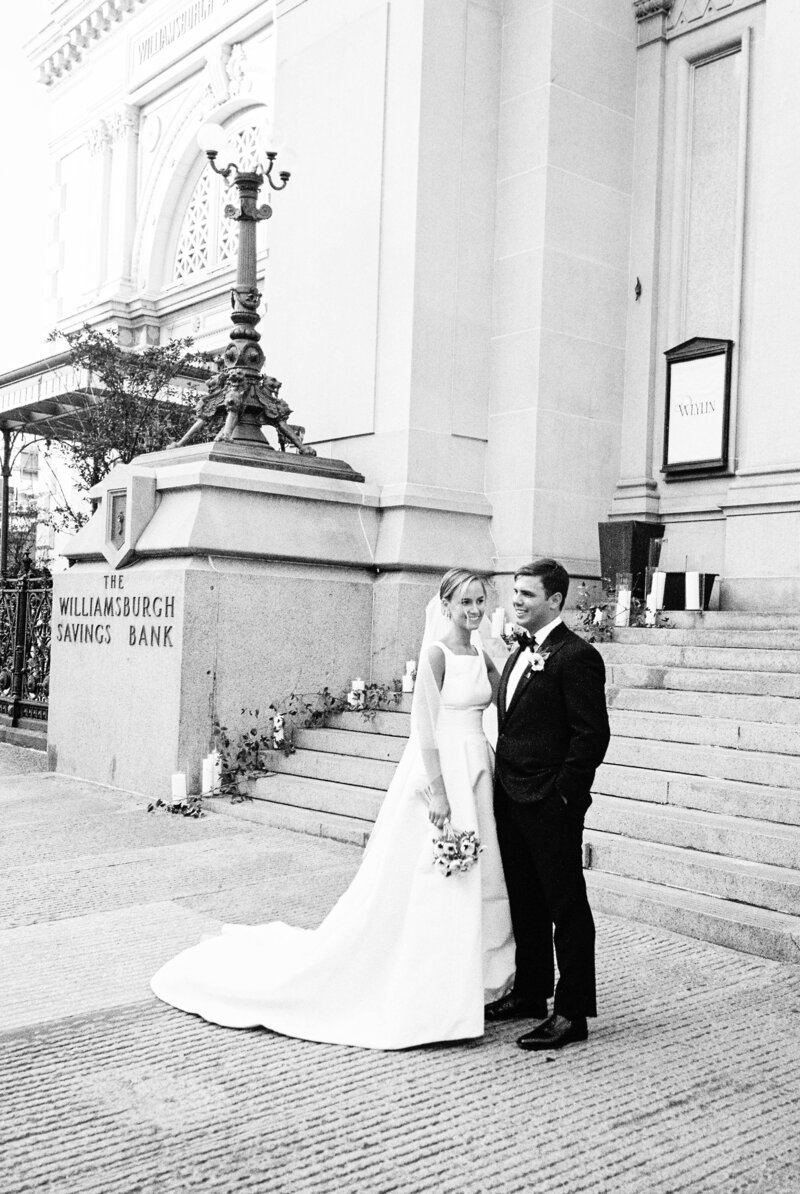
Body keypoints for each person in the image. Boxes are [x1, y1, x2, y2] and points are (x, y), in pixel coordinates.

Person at [151, 568, 515, 1050]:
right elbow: (424, 729)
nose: (473, 610)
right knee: (435, 878)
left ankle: (480, 979)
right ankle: (433, 986)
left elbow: (498, 705)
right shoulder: (437, 654)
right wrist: (440, 791)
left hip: (478, 769)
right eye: (464, 601)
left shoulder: (482, 654)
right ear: (445, 605)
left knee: (480, 878)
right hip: (444, 770)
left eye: (479, 601)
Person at [485, 559, 610, 1051]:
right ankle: (532, 992)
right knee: (525, 903)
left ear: (556, 601)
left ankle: (572, 1011)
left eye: (527, 595)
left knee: (566, 907)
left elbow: (591, 735)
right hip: (511, 799)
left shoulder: (575, 656)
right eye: (515, 592)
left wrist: (563, 795)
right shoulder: (519, 651)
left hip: (549, 803)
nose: (516, 601)